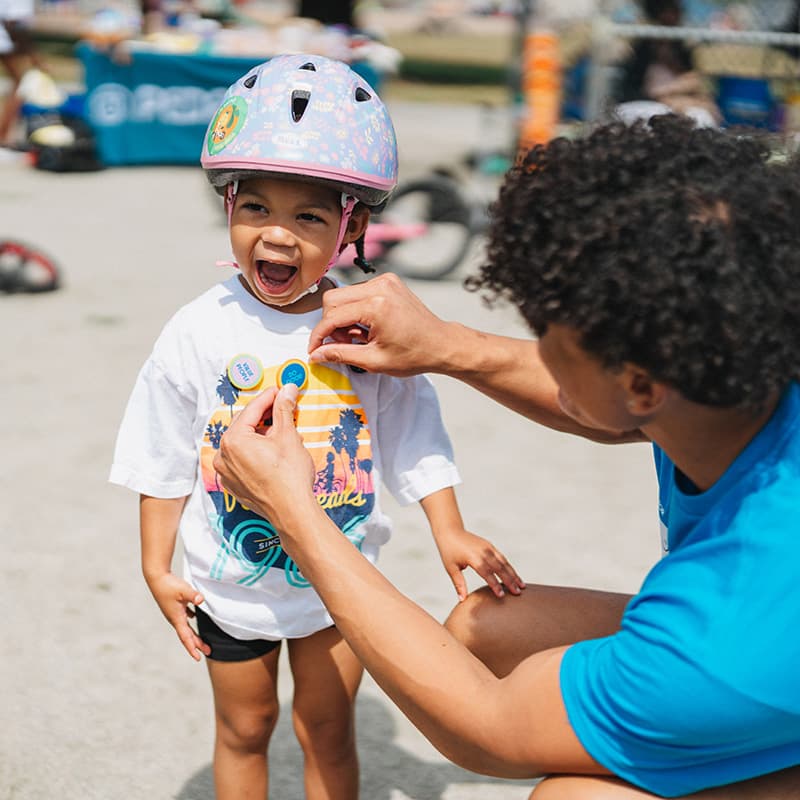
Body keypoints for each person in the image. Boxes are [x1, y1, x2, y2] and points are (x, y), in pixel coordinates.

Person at [212, 114, 800, 798]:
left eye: (549, 331)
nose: (538, 348)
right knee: (487, 627)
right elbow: (602, 409)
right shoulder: (740, 367)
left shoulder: (725, 637)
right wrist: (447, 346)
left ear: (640, 384)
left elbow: (487, 729)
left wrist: (292, 510)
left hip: (749, 653)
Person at [109, 54, 523, 800]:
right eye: (256, 208)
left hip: (338, 579)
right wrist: (155, 564)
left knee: (327, 730)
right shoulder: (197, 329)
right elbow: (160, 449)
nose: (278, 236)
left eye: (308, 216)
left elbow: (414, 429)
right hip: (227, 586)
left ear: (350, 225)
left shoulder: (362, 325)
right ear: (228, 203)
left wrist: (449, 526)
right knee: (245, 727)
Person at [613, 0, 720, 128]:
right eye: (671, 10)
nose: (676, 15)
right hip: (642, 102)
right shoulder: (643, 48)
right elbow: (648, 91)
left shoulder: (681, 49)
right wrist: (672, 96)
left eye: (678, 11)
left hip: (675, 102)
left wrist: (693, 100)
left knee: (701, 116)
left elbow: (694, 81)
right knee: (661, 115)